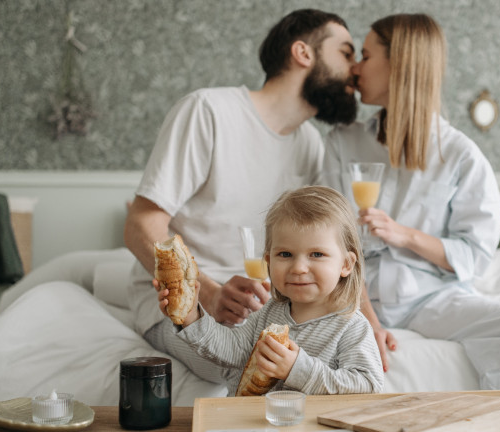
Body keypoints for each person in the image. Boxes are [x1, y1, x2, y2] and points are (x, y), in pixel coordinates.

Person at [323, 13, 500, 389]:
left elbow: (475, 254)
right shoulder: (342, 143)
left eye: (365, 56)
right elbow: (330, 245)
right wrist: (367, 320)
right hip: (356, 298)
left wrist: (406, 236)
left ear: (398, 63)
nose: (355, 68)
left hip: (429, 300)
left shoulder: (460, 155)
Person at [124, 9, 358, 362]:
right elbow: (140, 224)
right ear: (303, 53)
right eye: (346, 52)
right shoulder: (208, 111)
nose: (354, 68)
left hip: (262, 307)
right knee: (243, 358)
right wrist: (208, 294)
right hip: (183, 301)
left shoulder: (310, 143)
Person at [155, 186, 384, 395]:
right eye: (285, 254)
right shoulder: (267, 313)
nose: (299, 268)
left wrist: (297, 369)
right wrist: (191, 316)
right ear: (268, 261)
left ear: (346, 264)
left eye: (317, 254)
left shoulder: (351, 327)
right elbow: (230, 350)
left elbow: (368, 385)